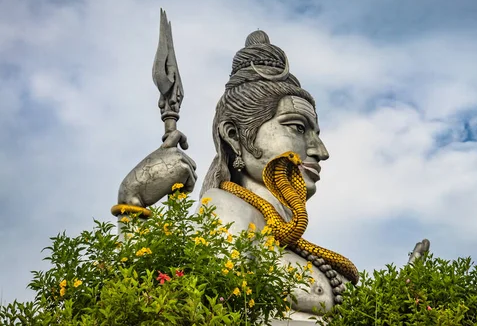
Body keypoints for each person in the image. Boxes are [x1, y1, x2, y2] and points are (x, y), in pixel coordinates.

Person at [117, 30, 427, 320]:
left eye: (316, 133)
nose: (320, 150)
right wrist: (132, 202)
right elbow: (191, 298)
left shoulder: (283, 236)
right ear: (235, 136)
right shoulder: (228, 207)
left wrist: (398, 299)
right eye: (297, 128)